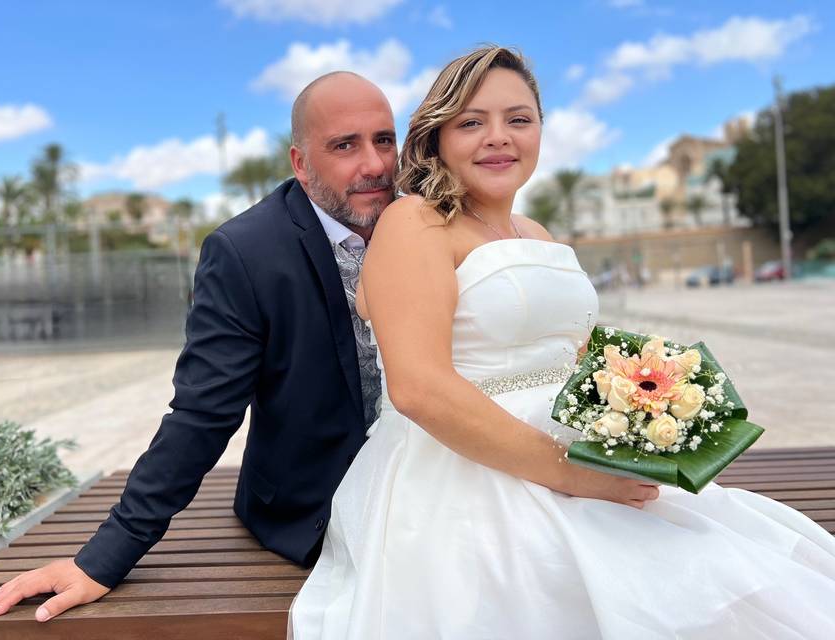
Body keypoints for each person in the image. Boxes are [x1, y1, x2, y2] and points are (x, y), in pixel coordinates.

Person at [288, 46, 835, 639]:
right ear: (438, 136)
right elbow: (419, 388)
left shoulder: (535, 233)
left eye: (518, 119)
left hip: (575, 447)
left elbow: (572, 353)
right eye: (472, 122)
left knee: (729, 565)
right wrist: (572, 474)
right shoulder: (414, 222)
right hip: (463, 472)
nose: (498, 137)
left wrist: (651, 403)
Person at [0, 71, 397, 622]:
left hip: (434, 483)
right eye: (344, 145)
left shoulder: (426, 218)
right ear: (300, 164)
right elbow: (202, 413)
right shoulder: (245, 252)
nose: (374, 164)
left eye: (384, 140)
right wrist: (103, 558)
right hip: (317, 505)